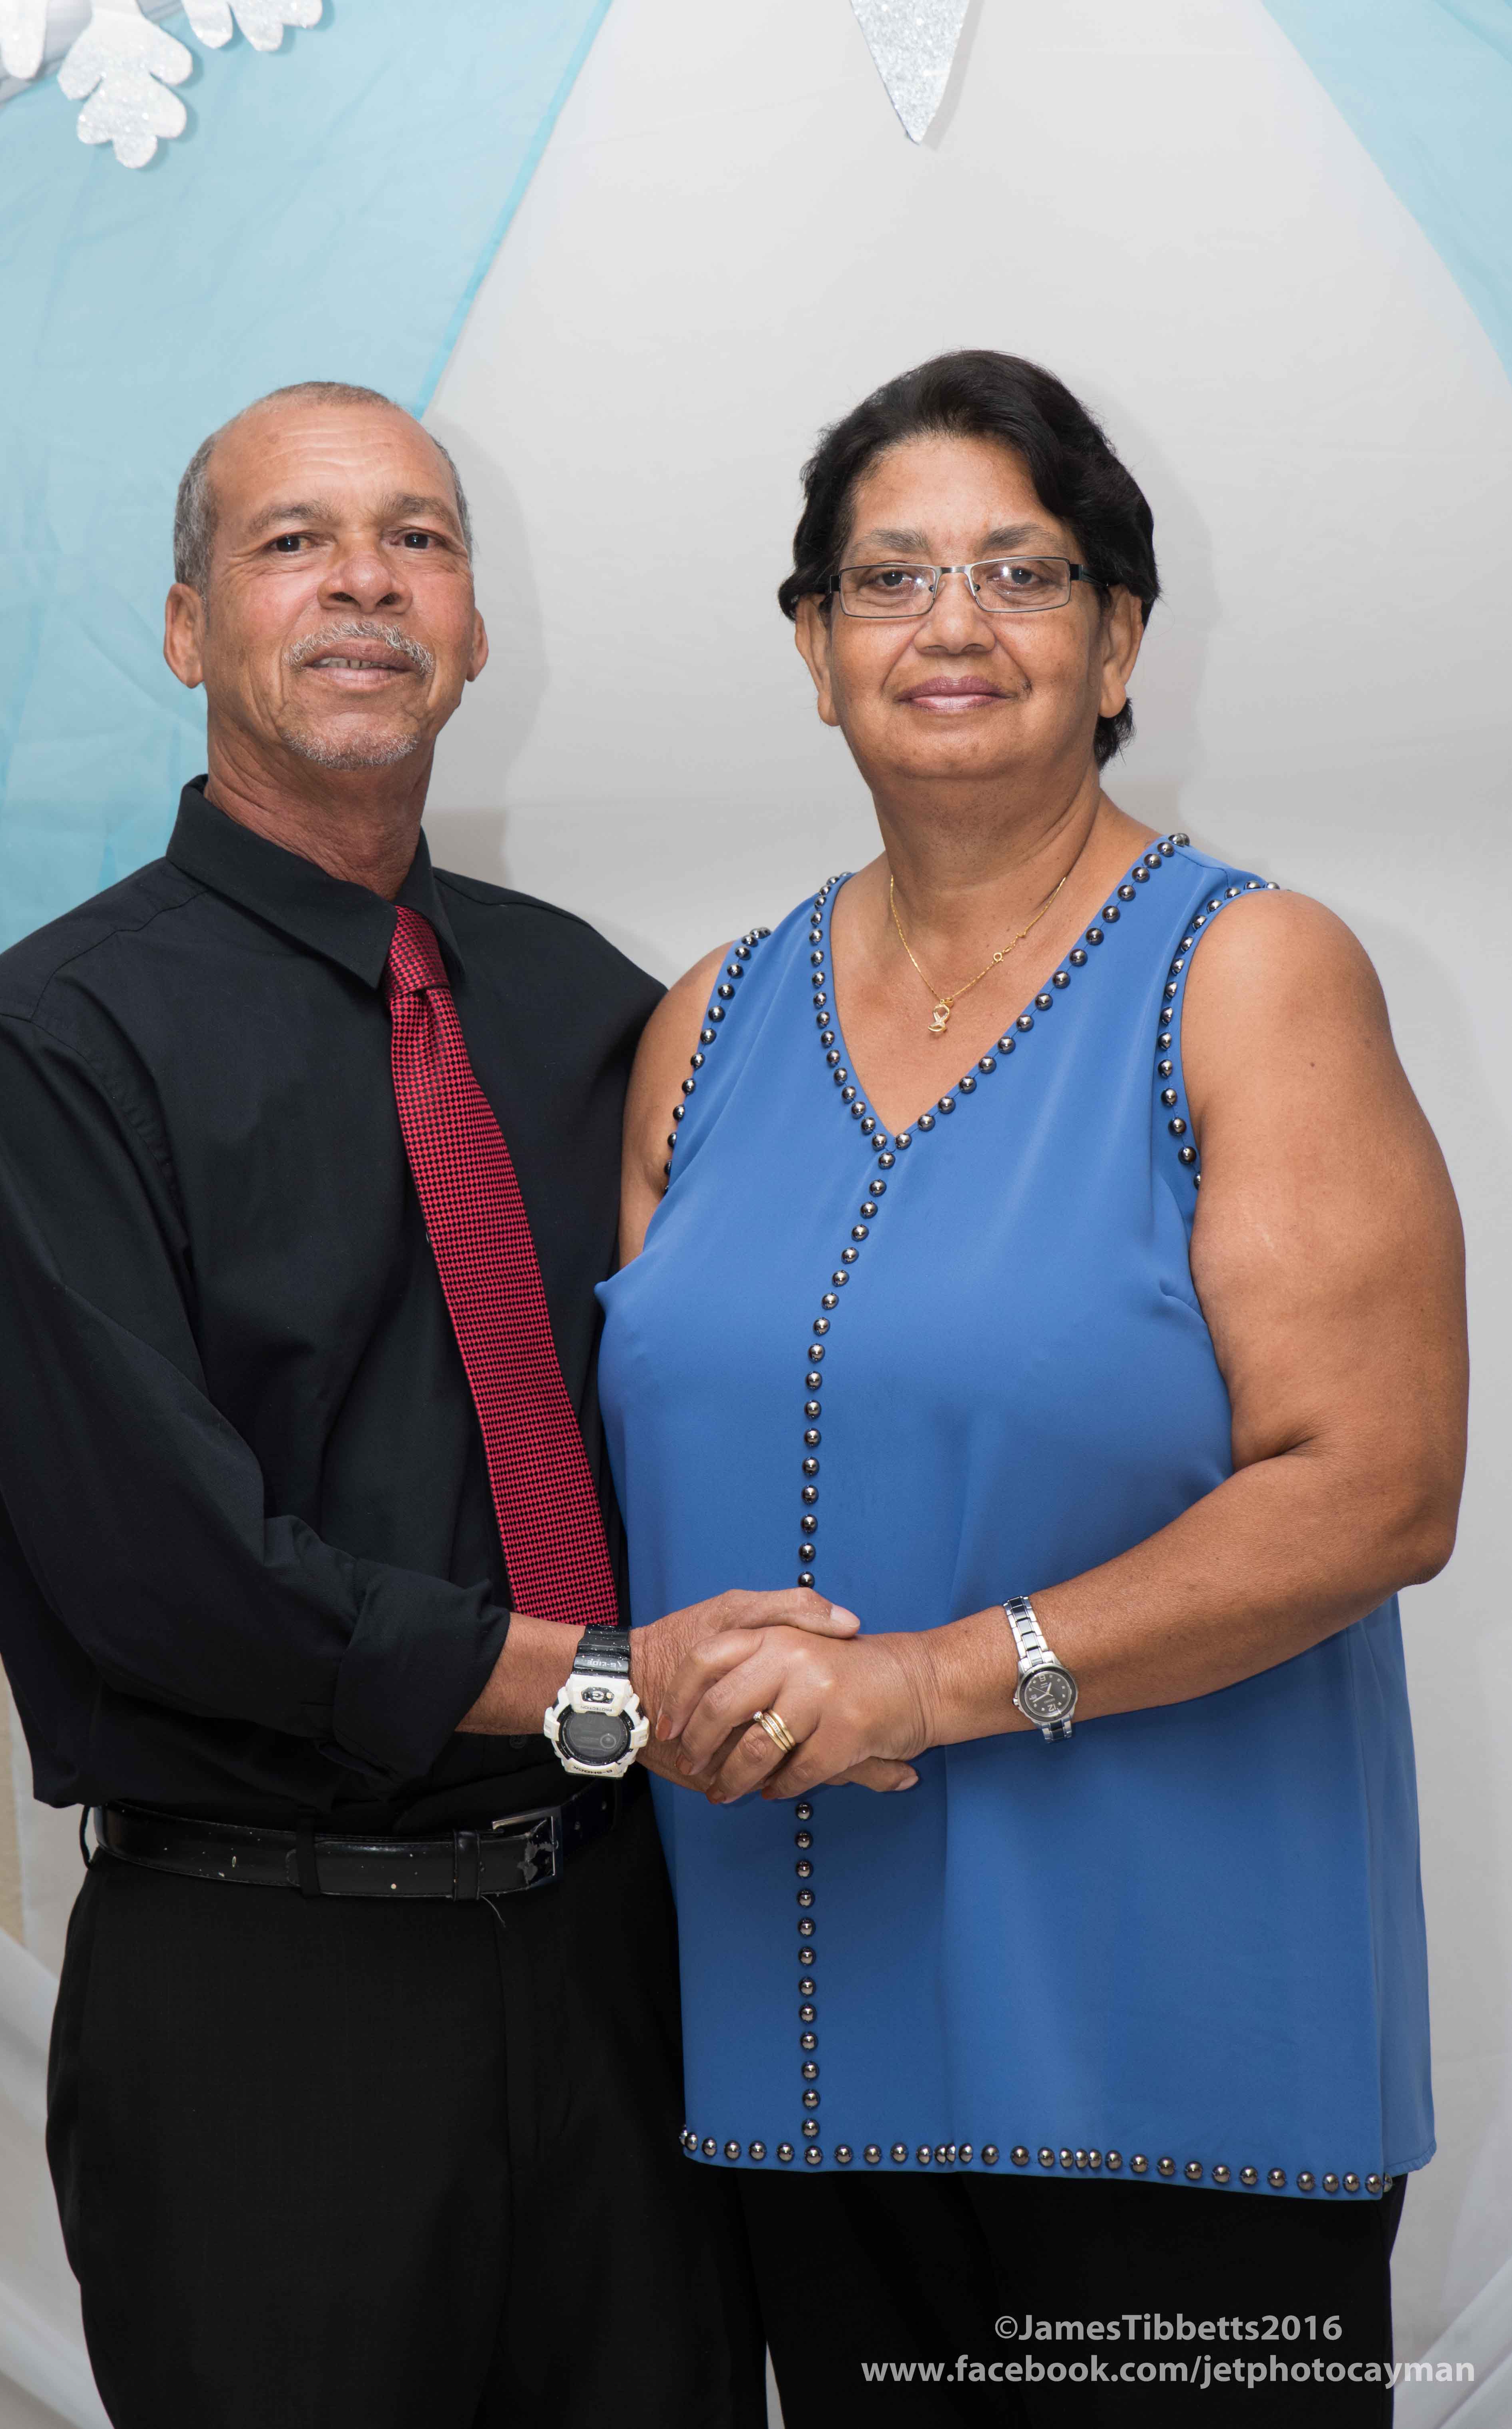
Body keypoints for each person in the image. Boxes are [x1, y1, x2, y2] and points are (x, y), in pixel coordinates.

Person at [0, 378, 863, 2429]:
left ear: (474, 629)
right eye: (293, 540)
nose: (364, 579)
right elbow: (165, 1576)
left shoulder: (587, 1004)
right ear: (189, 629)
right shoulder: (45, 1048)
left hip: (624, 1967)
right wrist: (613, 1684)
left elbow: (737, 1392)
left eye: (417, 537)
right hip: (268, 2000)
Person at [600, 350, 1466, 2423]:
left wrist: (927, 1682)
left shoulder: (1248, 974)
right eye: (888, 576)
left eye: (1021, 570)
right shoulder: (705, 1023)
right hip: (800, 2051)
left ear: (1118, 642)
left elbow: (1374, 1485)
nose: (953, 622)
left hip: (1174, 2066)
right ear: (813, 649)